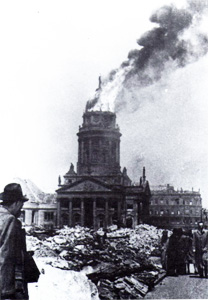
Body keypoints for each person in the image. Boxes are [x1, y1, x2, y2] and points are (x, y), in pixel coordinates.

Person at [0, 183, 29, 299]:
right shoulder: (10, 220)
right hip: (5, 285)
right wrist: (6, 291)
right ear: (16, 203)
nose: (21, 209)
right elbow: (6, 256)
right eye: (21, 204)